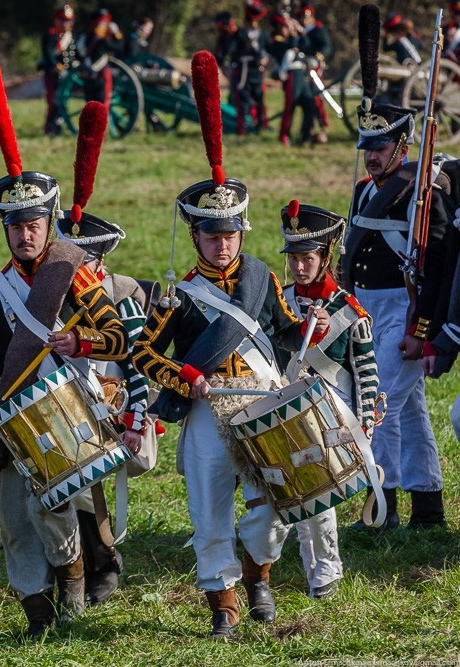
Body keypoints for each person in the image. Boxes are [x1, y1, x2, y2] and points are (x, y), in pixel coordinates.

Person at [132, 51, 329, 640]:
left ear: (243, 231)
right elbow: (143, 355)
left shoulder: (263, 278)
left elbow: (287, 329)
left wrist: (312, 325)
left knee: (275, 504)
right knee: (209, 512)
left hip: (264, 401)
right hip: (205, 405)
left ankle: (260, 574)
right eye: (212, 235)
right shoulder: (178, 296)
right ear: (195, 234)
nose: (223, 245)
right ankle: (224, 605)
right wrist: (184, 378)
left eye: (232, 234)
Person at [0, 66, 135, 637]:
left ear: (49, 222)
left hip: (68, 411)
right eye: (15, 225)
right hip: (11, 413)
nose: (25, 234)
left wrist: (81, 340)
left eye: (34, 223)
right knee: (15, 522)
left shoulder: (74, 275)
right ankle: (36, 611)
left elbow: (120, 337)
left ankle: (73, 586)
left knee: (56, 514)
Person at [339, 102, 452, 531]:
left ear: (402, 146)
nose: (372, 155)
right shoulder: (366, 190)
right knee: (409, 414)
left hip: (404, 313)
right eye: (367, 146)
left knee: (377, 406)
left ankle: (379, 510)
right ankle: (427, 508)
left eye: (381, 146)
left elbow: (439, 266)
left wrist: (422, 329)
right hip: (368, 312)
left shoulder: (422, 194)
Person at [277, 200, 380, 599]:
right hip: (283, 406)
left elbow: (366, 374)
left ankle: (325, 573)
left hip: (330, 413)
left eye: (307, 258)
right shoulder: (280, 301)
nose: (299, 267)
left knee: (316, 496)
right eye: (294, 259)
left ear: (325, 256)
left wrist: (364, 425)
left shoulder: (351, 312)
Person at [55, 211, 151, 606]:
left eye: (87, 261)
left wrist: (136, 421)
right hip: (63, 406)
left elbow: (138, 365)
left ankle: (105, 560)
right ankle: (78, 560)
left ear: (101, 262)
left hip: (114, 408)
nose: (79, 270)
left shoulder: (120, 299)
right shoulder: (50, 295)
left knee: (86, 483)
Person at [267, 14, 319, 147]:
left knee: (310, 105)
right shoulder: (276, 41)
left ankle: (305, 135)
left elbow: (306, 46)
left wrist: (301, 33)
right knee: (290, 107)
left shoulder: (293, 39)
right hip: (291, 76)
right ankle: (284, 135)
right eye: (285, 26)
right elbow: (288, 48)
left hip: (301, 75)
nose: (287, 29)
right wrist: (294, 34)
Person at [227, 0, 271, 135]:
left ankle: (261, 127)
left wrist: (265, 60)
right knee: (243, 101)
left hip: (257, 73)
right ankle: (242, 130)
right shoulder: (240, 33)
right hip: (244, 72)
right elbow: (231, 50)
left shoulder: (263, 35)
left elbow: (269, 50)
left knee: (259, 100)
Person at [39, 4, 77, 136]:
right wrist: (57, 67)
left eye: (69, 21)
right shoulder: (50, 35)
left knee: (62, 101)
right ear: (57, 21)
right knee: (53, 100)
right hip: (53, 74)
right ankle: (50, 128)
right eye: (64, 20)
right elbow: (48, 54)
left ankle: (58, 125)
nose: (67, 24)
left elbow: (74, 55)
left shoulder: (70, 37)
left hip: (67, 75)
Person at [297, 5, 334, 136]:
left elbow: (326, 45)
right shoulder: (300, 30)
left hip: (314, 65)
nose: (304, 19)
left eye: (306, 16)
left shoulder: (318, 28)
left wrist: (321, 55)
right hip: (302, 65)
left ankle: (323, 121)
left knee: (316, 94)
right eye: (302, 16)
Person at [76, 8, 123, 107]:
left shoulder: (87, 37)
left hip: (94, 76)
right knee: (97, 104)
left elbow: (119, 49)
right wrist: (116, 33)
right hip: (96, 76)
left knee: (96, 104)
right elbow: (119, 48)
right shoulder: (99, 39)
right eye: (104, 23)